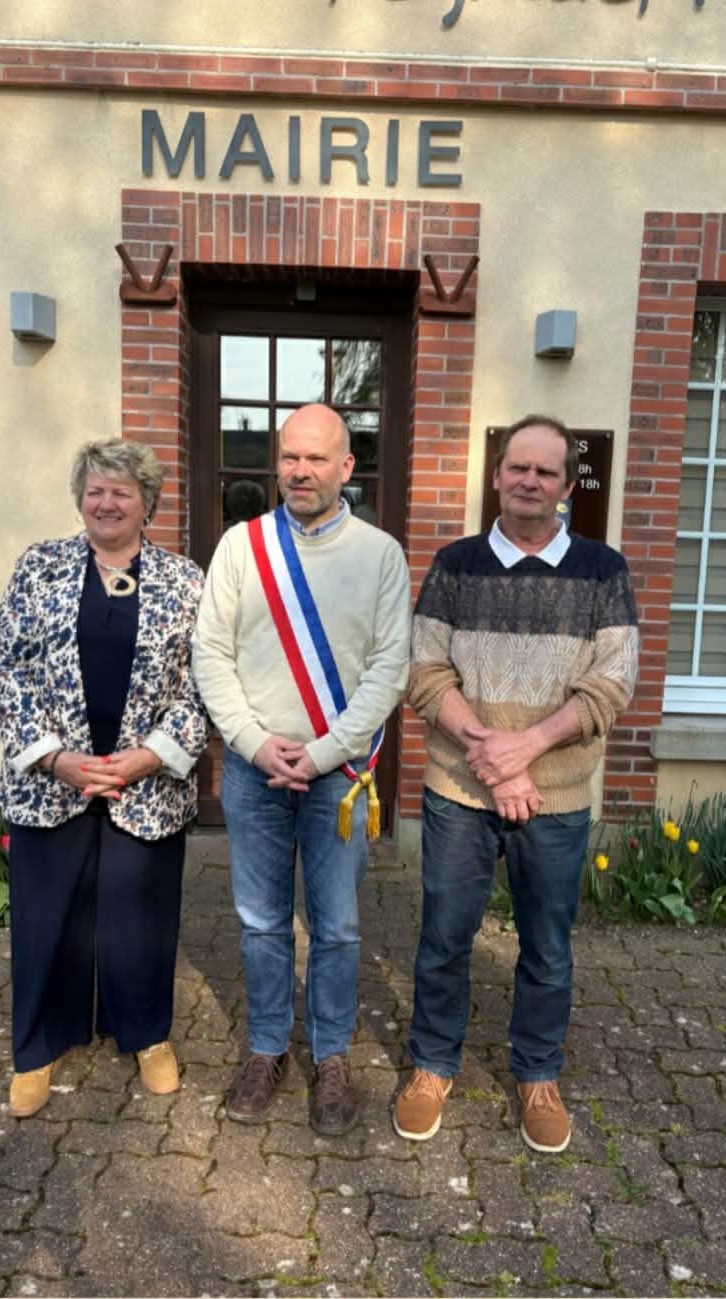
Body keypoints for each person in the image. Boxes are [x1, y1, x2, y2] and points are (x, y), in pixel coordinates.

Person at [395, 414, 638, 1152]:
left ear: (567, 484)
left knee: (548, 947)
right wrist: (491, 756)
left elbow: (613, 684)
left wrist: (524, 750)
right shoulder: (454, 565)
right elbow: (424, 672)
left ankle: (537, 1073)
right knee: (444, 937)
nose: (529, 481)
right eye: (517, 467)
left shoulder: (604, 571)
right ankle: (432, 1064)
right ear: (497, 475)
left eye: (545, 471)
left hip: (555, 797)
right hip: (460, 791)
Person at [192, 403, 411, 1136]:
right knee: (260, 921)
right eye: (290, 456)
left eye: (317, 458)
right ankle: (266, 1048)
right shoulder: (241, 546)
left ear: (346, 466)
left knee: (338, 926)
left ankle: (331, 1054)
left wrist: (320, 753)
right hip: (255, 770)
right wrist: (253, 742)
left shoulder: (380, 554)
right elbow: (210, 654)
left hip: (337, 774)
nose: (300, 470)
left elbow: (390, 669)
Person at [0, 439, 209, 1118]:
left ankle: (146, 1035)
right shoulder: (40, 566)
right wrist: (55, 758)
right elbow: (5, 667)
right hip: (52, 779)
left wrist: (151, 755)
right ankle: (39, 1047)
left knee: (140, 919)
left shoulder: (185, 579)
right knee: (46, 917)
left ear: (147, 503)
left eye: (121, 492)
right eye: (96, 490)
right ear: (80, 499)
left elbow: (205, 682)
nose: (106, 503)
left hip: (146, 784)